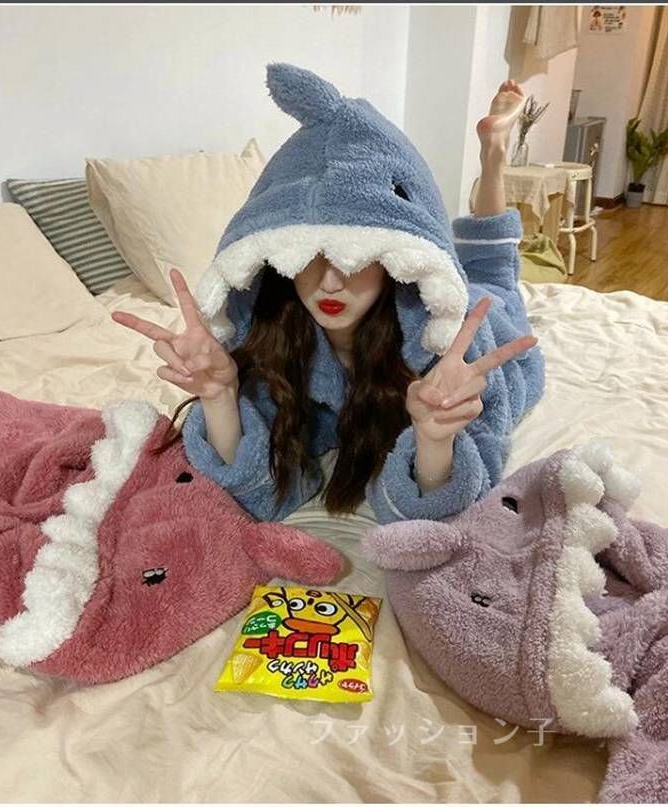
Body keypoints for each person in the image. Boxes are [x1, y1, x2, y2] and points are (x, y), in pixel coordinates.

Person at [112, 64, 545, 524]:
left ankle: (494, 150)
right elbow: (264, 490)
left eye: (354, 257)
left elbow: (449, 501)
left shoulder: (449, 344)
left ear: (393, 257)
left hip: (482, 307)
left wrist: (435, 440)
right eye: (310, 255)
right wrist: (220, 397)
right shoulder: (278, 334)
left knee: (493, 273)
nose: (330, 283)